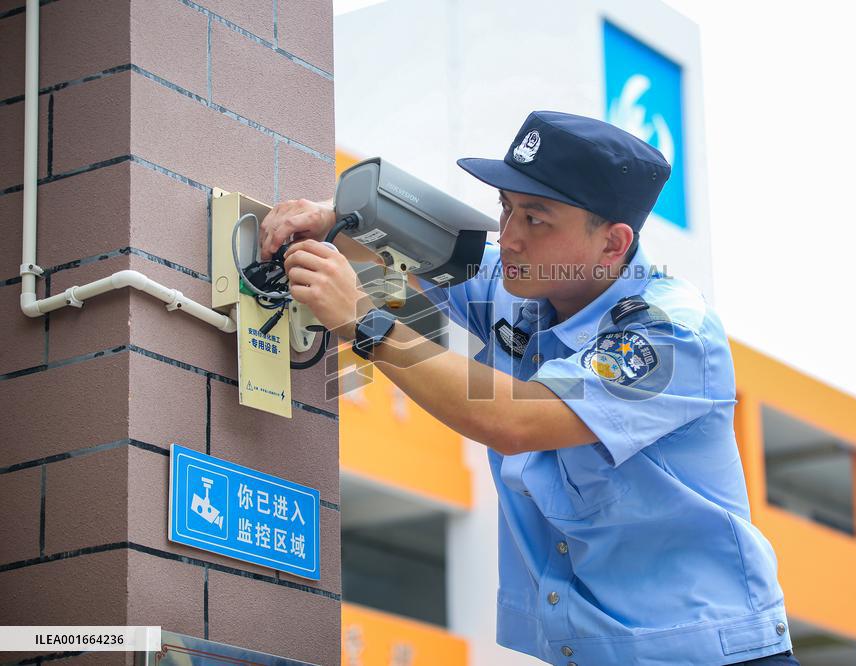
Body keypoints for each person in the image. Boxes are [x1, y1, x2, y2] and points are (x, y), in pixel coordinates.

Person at [261, 111, 799, 665]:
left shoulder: (668, 333)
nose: (510, 237)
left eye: (537, 219)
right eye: (506, 207)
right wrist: (331, 221)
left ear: (613, 243)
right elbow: (427, 250)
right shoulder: (525, 279)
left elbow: (516, 421)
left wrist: (363, 320)